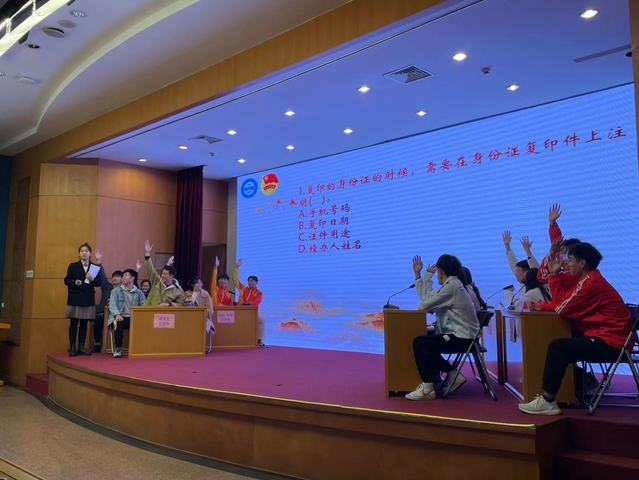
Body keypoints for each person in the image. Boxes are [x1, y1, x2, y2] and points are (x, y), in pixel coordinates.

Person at [519, 243, 631, 415]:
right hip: (606, 336)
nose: (566, 263)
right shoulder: (587, 278)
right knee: (561, 336)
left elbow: (562, 308)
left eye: (570, 259)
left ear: (582, 263)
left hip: (612, 343)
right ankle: (574, 387)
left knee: (558, 347)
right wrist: (546, 303)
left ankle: (548, 400)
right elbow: (560, 301)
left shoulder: (590, 283)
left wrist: (554, 276)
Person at [406, 254, 480, 401]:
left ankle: (428, 388)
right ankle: (451, 373)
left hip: (462, 338)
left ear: (441, 271)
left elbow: (423, 305)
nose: (436, 274)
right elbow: (427, 298)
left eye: (437, 271)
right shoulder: (451, 285)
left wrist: (425, 278)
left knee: (420, 343)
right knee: (425, 338)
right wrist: (419, 276)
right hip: (461, 335)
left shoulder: (451, 287)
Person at [63, 243, 103, 356]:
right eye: (82, 251)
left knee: (84, 323)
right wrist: (74, 282)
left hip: (87, 298)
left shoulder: (94, 267)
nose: (84, 253)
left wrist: (92, 279)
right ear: (79, 253)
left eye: (86, 251)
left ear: (90, 253)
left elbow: (99, 283)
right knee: (74, 323)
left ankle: (81, 346)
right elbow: (66, 280)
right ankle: (72, 347)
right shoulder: (73, 266)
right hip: (75, 297)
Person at [108, 269, 146, 358]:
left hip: (134, 317)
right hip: (120, 316)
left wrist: (139, 317)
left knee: (144, 323)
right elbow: (112, 304)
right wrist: (117, 314)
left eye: (126, 275)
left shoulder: (139, 292)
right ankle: (118, 348)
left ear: (132, 278)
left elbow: (143, 306)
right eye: (123, 276)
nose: (123, 277)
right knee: (118, 323)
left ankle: (138, 348)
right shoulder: (116, 291)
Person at [142, 240, 185, 306]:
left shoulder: (177, 289)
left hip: (166, 312)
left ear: (171, 276)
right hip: (150, 310)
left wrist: (170, 304)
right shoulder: (157, 281)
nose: (162, 275)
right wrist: (147, 254)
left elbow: (182, 304)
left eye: (165, 274)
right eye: (162, 273)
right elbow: (150, 270)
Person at [233, 258, 265, 346]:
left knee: (262, 321)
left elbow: (256, 302)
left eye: (252, 281)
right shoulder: (243, 288)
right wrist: (236, 267)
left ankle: (259, 340)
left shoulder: (259, 293)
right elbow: (235, 280)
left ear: (256, 282)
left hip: (251, 312)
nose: (250, 282)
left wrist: (248, 303)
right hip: (240, 311)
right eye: (249, 281)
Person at [502, 231, 540, 304]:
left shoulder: (535, 289)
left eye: (518, 271)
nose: (515, 274)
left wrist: (508, 292)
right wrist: (507, 246)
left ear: (527, 272)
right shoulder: (523, 285)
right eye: (515, 271)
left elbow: (517, 307)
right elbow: (513, 263)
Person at [93, 270, 123, 352]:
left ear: (122, 279)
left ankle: (117, 347)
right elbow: (103, 277)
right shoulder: (107, 287)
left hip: (117, 314)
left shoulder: (123, 289)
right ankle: (97, 343)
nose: (115, 278)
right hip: (104, 312)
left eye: (117, 276)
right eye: (114, 276)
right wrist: (99, 264)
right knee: (98, 319)